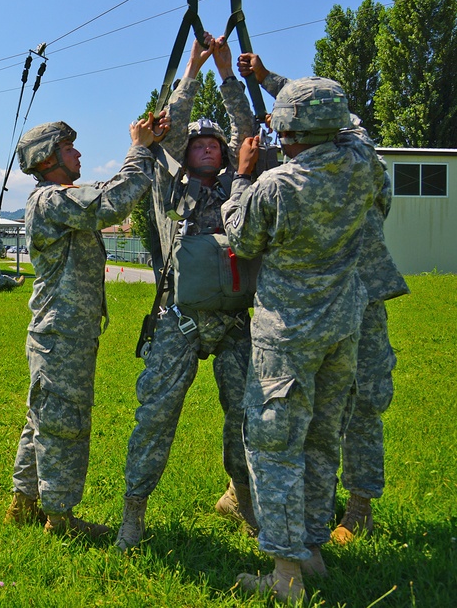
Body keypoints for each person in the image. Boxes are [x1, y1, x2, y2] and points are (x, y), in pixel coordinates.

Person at [221, 66, 387, 603]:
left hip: (287, 335)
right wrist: (274, 82)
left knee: (273, 447)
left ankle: (285, 573)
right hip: (343, 325)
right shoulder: (364, 161)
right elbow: (354, 123)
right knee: (320, 441)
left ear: (286, 132)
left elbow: (242, 239)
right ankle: (312, 550)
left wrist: (242, 175)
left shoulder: (278, 184)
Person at [239, 53, 411, 546]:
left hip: (358, 290)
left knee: (362, 398)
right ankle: (310, 521)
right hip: (329, 297)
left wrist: (268, 82)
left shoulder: (326, 167)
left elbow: (333, 113)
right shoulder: (358, 155)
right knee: (312, 417)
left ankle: (358, 507)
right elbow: (337, 114)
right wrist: (269, 81)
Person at [115, 34, 256, 550]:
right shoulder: (167, 184)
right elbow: (169, 129)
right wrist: (192, 72)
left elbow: (246, 133)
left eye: (213, 144)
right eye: (198, 143)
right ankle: (134, 512)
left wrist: (227, 72)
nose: (205, 147)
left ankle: (242, 496)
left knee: (247, 414)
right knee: (156, 414)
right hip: (179, 319)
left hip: (237, 321)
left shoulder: (239, 183)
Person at [5, 113, 164, 540]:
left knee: (42, 417)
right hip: (62, 335)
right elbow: (115, 200)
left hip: (61, 333)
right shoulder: (51, 200)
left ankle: (22, 504)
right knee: (63, 424)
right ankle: (59, 520)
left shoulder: (55, 199)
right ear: (48, 158)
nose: (79, 154)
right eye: (70, 148)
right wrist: (141, 148)